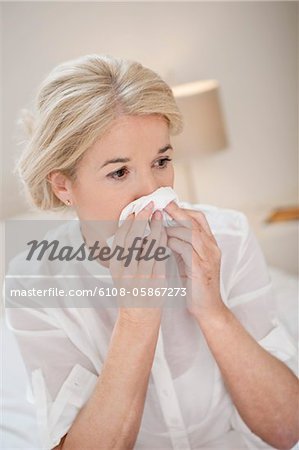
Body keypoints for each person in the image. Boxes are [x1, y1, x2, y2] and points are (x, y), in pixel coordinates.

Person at [4, 54, 298, 450]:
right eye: (119, 172)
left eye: (161, 161)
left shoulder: (227, 235)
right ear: (63, 186)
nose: (153, 194)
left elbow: (287, 430)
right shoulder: (35, 280)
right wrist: (137, 317)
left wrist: (213, 311)